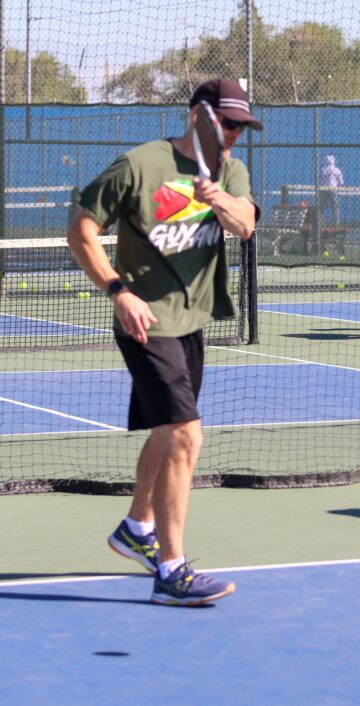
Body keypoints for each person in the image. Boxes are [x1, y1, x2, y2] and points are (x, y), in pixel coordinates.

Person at [66, 78, 260, 604]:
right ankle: (171, 571)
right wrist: (117, 292)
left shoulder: (230, 172)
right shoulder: (139, 165)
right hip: (144, 322)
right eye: (229, 123)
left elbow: (245, 225)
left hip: (191, 322)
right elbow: (80, 229)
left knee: (165, 434)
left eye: (243, 127)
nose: (236, 134)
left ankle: (136, 528)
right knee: (186, 437)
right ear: (197, 113)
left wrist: (218, 196)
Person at [317, 154, 344, 226]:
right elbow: (341, 181)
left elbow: (318, 180)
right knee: (335, 207)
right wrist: (338, 186)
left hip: (323, 190)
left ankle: (319, 222)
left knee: (321, 207)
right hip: (333, 189)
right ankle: (336, 223)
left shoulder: (322, 169)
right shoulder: (336, 170)